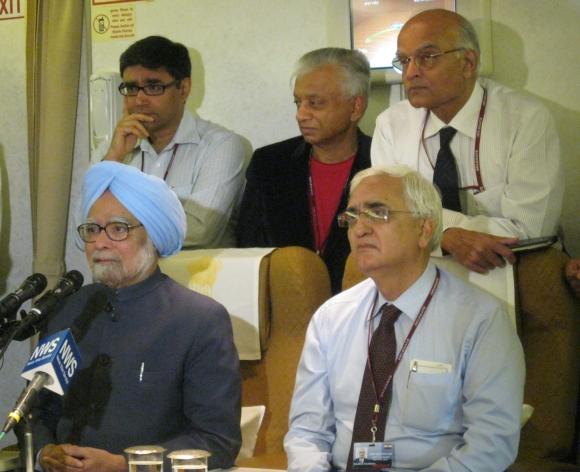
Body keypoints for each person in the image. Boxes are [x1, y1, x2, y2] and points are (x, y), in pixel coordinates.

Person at [284, 166, 525, 471]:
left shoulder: (480, 320)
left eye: (377, 212)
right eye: (353, 216)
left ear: (424, 230)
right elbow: (307, 433)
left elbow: (491, 444)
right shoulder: (331, 317)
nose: (360, 229)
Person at [29, 162, 241, 471]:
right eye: (92, 229)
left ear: (153, 236)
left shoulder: (200, 320)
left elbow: (217, 441)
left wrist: (122, 465)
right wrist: (44, 451)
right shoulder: (67, 310)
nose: (100, 242)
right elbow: (32, 412)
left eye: (118, 229)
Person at [371, 9, 563, 274]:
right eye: (404, 60)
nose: (410, 73)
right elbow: (385, 216)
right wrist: (445, 236)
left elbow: (531, 230)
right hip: (421, 270)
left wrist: (426, 228)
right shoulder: (390, 126)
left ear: (468, 63)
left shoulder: (525, 119)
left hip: (512, 269)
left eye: (427, 57)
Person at [236, 47, 371, 293]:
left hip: (362, 306)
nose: (301, 115)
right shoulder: (269, 164)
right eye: (298, 102)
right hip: (283, 306)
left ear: (356, 107)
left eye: (315, 104)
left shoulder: (383, 163)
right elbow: (248, 247)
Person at [94, 35, 246, 248]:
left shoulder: (221, 147)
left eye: (153, 87)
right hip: (119, 280)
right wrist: (113, 160)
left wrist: (113, 232)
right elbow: (82, 227)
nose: (139, 99)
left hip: (194, 279)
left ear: (183, 89)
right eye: (131, 88)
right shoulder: (111, 150)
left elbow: (198, 231)